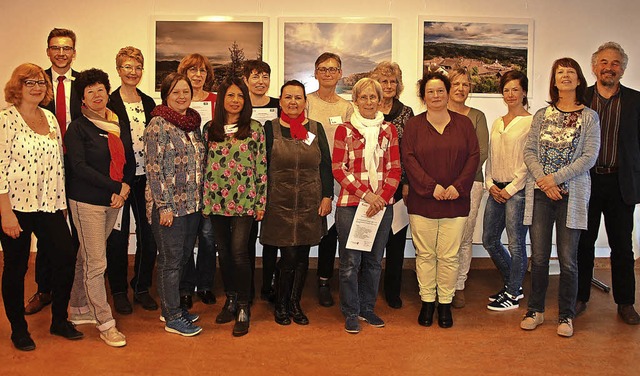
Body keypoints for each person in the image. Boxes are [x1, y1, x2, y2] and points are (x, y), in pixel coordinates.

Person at [1, 63, 82, 351]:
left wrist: (61, 205)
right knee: (16, 267)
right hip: (16, 207)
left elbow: (57, 166)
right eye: (29, 82)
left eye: (40, 82)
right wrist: (5, 212)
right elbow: (0, 168)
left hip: (49, 205)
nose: (37, 87)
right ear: (18, 87)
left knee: (65, 257)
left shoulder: (49, 118)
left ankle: (59, 320)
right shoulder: (6, 119)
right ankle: (18, 329)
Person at [521, 58, 600, 338]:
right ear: (554, 81)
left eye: (570, 72)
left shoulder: (590, 116)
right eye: (560, 72)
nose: (565, 76)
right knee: (539, 257)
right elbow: (529, 151)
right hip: (541, 195)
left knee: (568, 259)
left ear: (579, 80)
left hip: (572, 195)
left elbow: (589, 157)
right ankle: (535, 310)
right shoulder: (541, 115)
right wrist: (544, 180)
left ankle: (566, 315)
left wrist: (555, 179)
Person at [402, 71, 479, 329]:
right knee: (425, 254)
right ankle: (426, 302)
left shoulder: (464, 124)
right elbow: (409, 159)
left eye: (440, 91)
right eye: (430, 91)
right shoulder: (413, 126)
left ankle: (444, 304)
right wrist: (430, 187)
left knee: (449, 255)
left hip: (456, 202)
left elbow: (473, 157)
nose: (435, 95)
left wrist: (457, 187)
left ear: (448, 94)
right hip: (423, 201)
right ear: (423, 96)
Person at [65, 68, 135, 347]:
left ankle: (77, 307)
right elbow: (79, 168)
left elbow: (127, 158)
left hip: (112, 201)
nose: (97, 95)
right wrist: (115, 187)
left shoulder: (115, 124)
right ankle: (105, 322)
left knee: (87, 256)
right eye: (90, 91)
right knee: (97, 262)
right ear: (82, 98)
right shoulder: (77, 128)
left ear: (108, 92)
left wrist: (123, 188)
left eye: (100, 89)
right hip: (86, 202)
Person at [576, 42, 640, 325]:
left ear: (622, 70)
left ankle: (625, 303)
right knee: (583, 243)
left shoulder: (636, 101)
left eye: (615, 63)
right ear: (594, 67)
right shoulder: (580, 99)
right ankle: (579, 298)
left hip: (620, 183)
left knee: (623, 248)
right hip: (585, 182)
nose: (609, 67)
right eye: (604, 62)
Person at [261, 80, 332, 325]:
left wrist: (327, 196)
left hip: (309, 202)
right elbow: (261, 168)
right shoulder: (269, 129)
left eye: (298, 97)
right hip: (278, 203)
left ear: (305, 102)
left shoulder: (315, 128)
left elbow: (325, 164)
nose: (293, 102)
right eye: (288, 97)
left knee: (302, 255)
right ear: (280, 101)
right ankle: (281, 303)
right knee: (289, 255)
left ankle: (294, 303)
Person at [333, 78, 401, 334]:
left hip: (382, 206)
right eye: (364, 97)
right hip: (352, 205)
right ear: (355, 100)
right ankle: (350, 311)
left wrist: (381, 197)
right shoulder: (345, 130)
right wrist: (367, 195)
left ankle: (367, 308)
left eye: (374, 97)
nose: (369, 102)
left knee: (374, 261)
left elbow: (395, 169)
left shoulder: (389, 130)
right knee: (350, 262)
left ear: (380, 100)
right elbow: (338, 168)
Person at [203, 78, 267, 337]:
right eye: (230, 95)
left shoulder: (254, 128)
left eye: (240, 96)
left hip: (245, 201)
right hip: (216, 200)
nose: (235, 100)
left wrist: (261, 201)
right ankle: (230, 299)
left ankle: (243, 305)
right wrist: (205, 200)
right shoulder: (210, 128)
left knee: (240, 252)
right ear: (222, 99)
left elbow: (261, 166)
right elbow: (205, 165)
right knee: (225, 252)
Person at [25, 27, 82, 316]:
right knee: (48, 230)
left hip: (79, 166)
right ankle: (44, 289)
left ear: (74, 52)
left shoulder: (84, 82)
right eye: (56, 48)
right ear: (48, 51)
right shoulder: (36, 84)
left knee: (82, 229)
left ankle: (76, 288)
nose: (61, 53)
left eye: (67, 48)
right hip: (44, 170)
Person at [145, 72, 205, 337]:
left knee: (181, 259)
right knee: (170, 262)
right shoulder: (158, 125)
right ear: (166, 96)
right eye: (176, 92)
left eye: (186, 92)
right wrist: (164, 206)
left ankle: (172, 308)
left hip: (191, 206)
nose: (182, 97)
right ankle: (172, 316)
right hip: (170, 208)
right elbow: (154, 170)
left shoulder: (192, 124)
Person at [105, 46, 159, 315]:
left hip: (146, 179)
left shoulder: (149, 102)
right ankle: (117, 291)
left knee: (149, 236)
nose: (133, 72)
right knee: (118, 237)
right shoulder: (109, 103)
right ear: (118, 70)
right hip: (120, 180)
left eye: (137, 67)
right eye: (127, 67)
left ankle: (140, 287)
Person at [307, 52, 354, 307]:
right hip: (310, 175)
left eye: (333, 69)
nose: (327, 73)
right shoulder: (306, 102)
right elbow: (300, 134)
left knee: (332, 232)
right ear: (315, 73)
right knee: (307, 229)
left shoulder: (346, 107)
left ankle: (324, 280)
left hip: (338, 178)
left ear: (340, 74)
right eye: (323, 68)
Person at [483, 70, 532, 311]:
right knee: (489, 240)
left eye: (515, 89)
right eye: (506, 89)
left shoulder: (531, 122)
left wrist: (511, 189)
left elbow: (529, 162)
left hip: (517, 192)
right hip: (495, 189)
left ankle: (513, 293)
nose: (510, 94)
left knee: (516, 244)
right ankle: (515, 283)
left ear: (524, 91)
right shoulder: (497, 122)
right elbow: (491, 156)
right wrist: (489, 183)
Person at [369, 61, 414, 309]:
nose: (388, 85)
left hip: (397, 187)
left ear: (398, 85)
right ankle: (367, 288)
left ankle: (393, 290)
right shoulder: (366, 110)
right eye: (384, 81)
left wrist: (406, 183)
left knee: (395, 240)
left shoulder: (406, 113)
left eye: (392, 81)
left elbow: (410, 152)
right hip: (369, 188)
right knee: (369, 239)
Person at [176, 53, 217, 309]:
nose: (198, 75)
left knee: (208, 236)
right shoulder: (179, 100)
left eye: (202, 70)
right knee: (186, 237)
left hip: (212, 179)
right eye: (193, 70)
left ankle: (205, 285)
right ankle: (185, 287)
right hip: (186, 179)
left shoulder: (216, 101)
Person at [447, 68, 489, 309]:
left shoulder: (477, 116)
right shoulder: (437, 114)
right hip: (440, 186)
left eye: (466, 84)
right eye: (456, 84)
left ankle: (458, 285)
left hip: (470, 183)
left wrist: (457, 179)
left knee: (464, 236)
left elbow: (481, 152)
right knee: (442, 236)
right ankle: (440, 283)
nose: (461, 88)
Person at [243, 59, 279, 302]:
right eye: (255, 76)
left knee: (272, 235)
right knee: (245, 237)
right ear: (246, 80)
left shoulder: (279, 105)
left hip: (276, 178)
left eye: (265, 76)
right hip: (246, 180)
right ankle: (246, 288)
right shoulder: (238, 105)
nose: (260, 81)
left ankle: (269, 285)